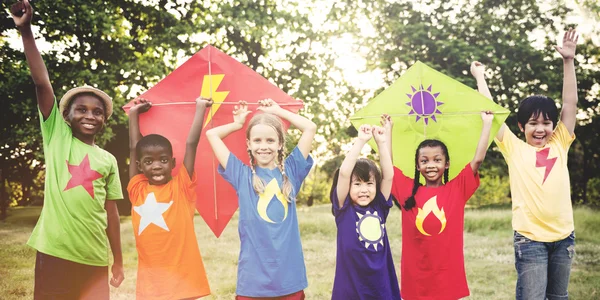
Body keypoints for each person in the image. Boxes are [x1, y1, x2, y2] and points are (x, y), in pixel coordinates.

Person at [12, 0, 124, 298]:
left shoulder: (108, 159)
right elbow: (42, 84)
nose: (90, 115)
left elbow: (111, 213)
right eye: (82, 110)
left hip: (95, 259)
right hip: (55, 254)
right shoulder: (57, 138)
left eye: (97, 112)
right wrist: (26, 32)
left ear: (104, 120)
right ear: (66, 117)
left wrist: (118, 261)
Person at [471, 28, 579, 300]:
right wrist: (480, 77)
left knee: (559, 297)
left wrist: (568, 61)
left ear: (554, 126)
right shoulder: (513, 148)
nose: (540, 129)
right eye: (533, 123)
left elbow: (570, 101)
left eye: (546, 123)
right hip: (530, 240)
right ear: (521, 126)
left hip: (563, 239)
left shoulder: (560, 142)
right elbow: (493, 111)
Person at [206, 99, 316, 299]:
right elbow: (211, 134)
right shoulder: (242, 175)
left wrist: (278, 110)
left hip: (289, 278)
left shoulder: (292, 171)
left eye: (270, 140)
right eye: (257, 141)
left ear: (280, 143)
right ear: (248, 143)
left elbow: (309, 128)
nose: (263, 147)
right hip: (253, 281)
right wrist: (238, 124)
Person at [390, 110, 494, 299]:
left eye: (437, 160)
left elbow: (478, 159)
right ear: (417, 166)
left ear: (446, 164)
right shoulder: (407, 191)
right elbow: (388, 168)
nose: (431, 165)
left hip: (447, 276)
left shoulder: (457, 189)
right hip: (416, 277)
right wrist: (386, 133)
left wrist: (486, 124)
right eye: (424, 161)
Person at [127, 97, 212, 299]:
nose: (157, 165)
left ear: (173, 162)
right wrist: (133, 114)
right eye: (149, 161)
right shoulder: (137, 188)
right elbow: (133, 148)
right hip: (152, 281)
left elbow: (191, 144)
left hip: (183, 277)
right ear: (140, 166)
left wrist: (200, 108)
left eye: (163, 160)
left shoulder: (181, 186)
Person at [330, 122, 401, 300]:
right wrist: (361, 141)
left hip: (380, 280)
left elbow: (389, 175)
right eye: (358, 184)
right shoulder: (343, 209)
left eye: (369, 183)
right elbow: (345, 173)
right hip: (352, 282)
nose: (364, 189)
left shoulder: (379, 207)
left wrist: (382, 143)